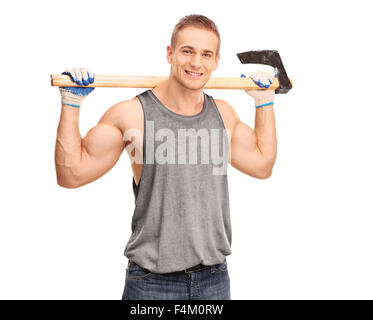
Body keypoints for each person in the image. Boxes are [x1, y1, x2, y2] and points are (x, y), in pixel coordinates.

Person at [55, 14, 277, 300]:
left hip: (214, 280)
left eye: (206, 54)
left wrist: (265, 102)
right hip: (151, 284)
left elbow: (262, 165)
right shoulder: (131, 113)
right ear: (170, 53)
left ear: (216, 61)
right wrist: (71, 104)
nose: (196, 63)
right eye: (187, 51)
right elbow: (70, 175)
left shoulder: (224, 115)